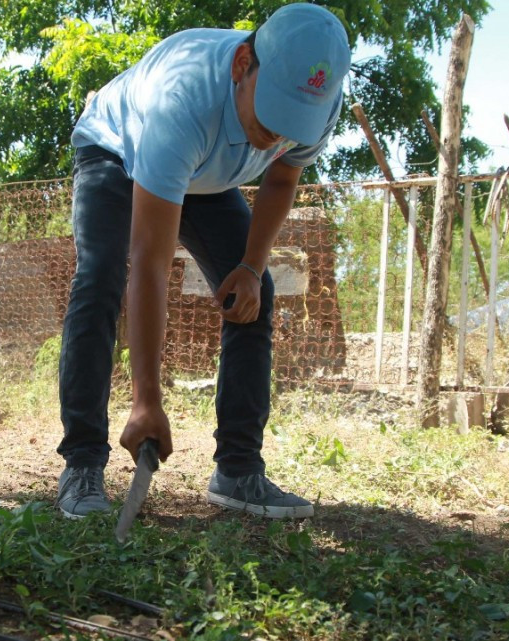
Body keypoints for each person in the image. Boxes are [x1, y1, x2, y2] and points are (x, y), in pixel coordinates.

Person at [56, 3, 350, 519]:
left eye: (291, 124)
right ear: (242, 65)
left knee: (253, 298)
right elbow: (149, 260)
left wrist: (252, 268)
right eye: (271, 112)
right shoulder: (183, 98)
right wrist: (147, 398)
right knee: (102, 275)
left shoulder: (319, 100)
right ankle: (82, 464)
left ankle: (238, 471)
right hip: (117, 151)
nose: (277, 135)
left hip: (206, 176)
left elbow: (282, 178)